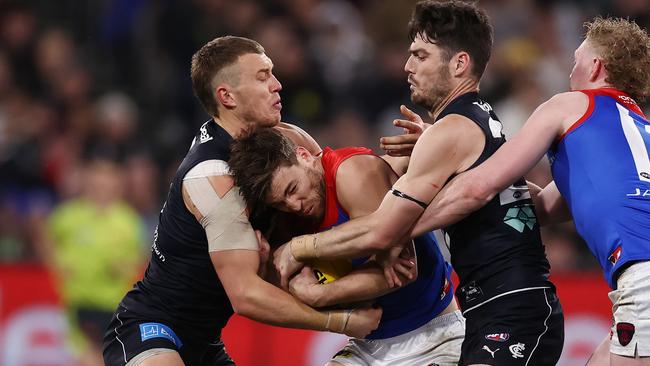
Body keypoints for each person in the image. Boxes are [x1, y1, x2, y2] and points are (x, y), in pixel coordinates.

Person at [272, 1, 564, 365]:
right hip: (499, 306)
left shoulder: (452, 130)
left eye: (421, 56)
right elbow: (522, 200)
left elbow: (381, 231)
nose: (408, 67)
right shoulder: (479, 120)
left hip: (512, 309)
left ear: (459, 63)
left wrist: (298, 248)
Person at [102, 36, 381, 366]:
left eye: (273, 73)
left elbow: (333, 206)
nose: (277, 85)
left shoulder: (289, 139)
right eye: (262, 77)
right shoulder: (212, 177)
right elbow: (245, 295)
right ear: (227, 96)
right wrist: (341, 322)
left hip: (206, 342)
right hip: (153, 326)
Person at [412, 17, 650, 365]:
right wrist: (447, 152)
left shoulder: (570, 105)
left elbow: (481, 185)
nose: (570, 72)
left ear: (596, 67)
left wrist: (398, 231)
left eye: (576, 61)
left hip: (642, 281)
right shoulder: (639, 132)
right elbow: (539, 206)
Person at [228, 127, 464, 366]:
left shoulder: (353, 172)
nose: (294, 205)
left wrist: (321, 294)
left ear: (304, 156)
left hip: (434, 334)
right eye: (280, 203)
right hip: (369, 345)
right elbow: (288, 286)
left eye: (292, 189)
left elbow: (404, 271)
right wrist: (266, 270)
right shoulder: (288, 216)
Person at [39, 156, 145, 366]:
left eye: (107, 184)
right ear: (87, 183)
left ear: (117, 186)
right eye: (97, 184)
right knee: (87, 358)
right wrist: (57, 262)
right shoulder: (69, 215)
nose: (101, 189)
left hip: (114, 304)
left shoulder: (127, 220)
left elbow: (138, 257)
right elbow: (45, 236)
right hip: (77, 300)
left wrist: (124, 267)